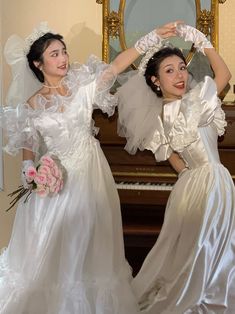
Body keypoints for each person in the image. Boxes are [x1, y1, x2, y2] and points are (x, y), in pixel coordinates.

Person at [0, 21, 180, 314]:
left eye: (64, 51)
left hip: (90, 179)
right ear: (38, 63)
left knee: (88, 246)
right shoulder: (31, 105)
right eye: (54, 54)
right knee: (53, 252)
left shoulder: (82, 89)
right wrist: (33, 176)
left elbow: (120, 63)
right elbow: (28, 154)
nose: (63, 58)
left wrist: (154, 35)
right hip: (53, 188)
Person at [117, 23, 235, 313]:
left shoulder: (174, 109)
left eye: (182, 67)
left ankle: (199, 294)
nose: (180, 75)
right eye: (169, 70)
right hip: (209, 183)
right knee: (208, 249)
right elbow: (225, 75)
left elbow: (169, 152)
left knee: (198, 250)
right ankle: (206, 298)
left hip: (194, 185)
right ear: (156, 81)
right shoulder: (196, 101)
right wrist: (203, 41)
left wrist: (185, 173)